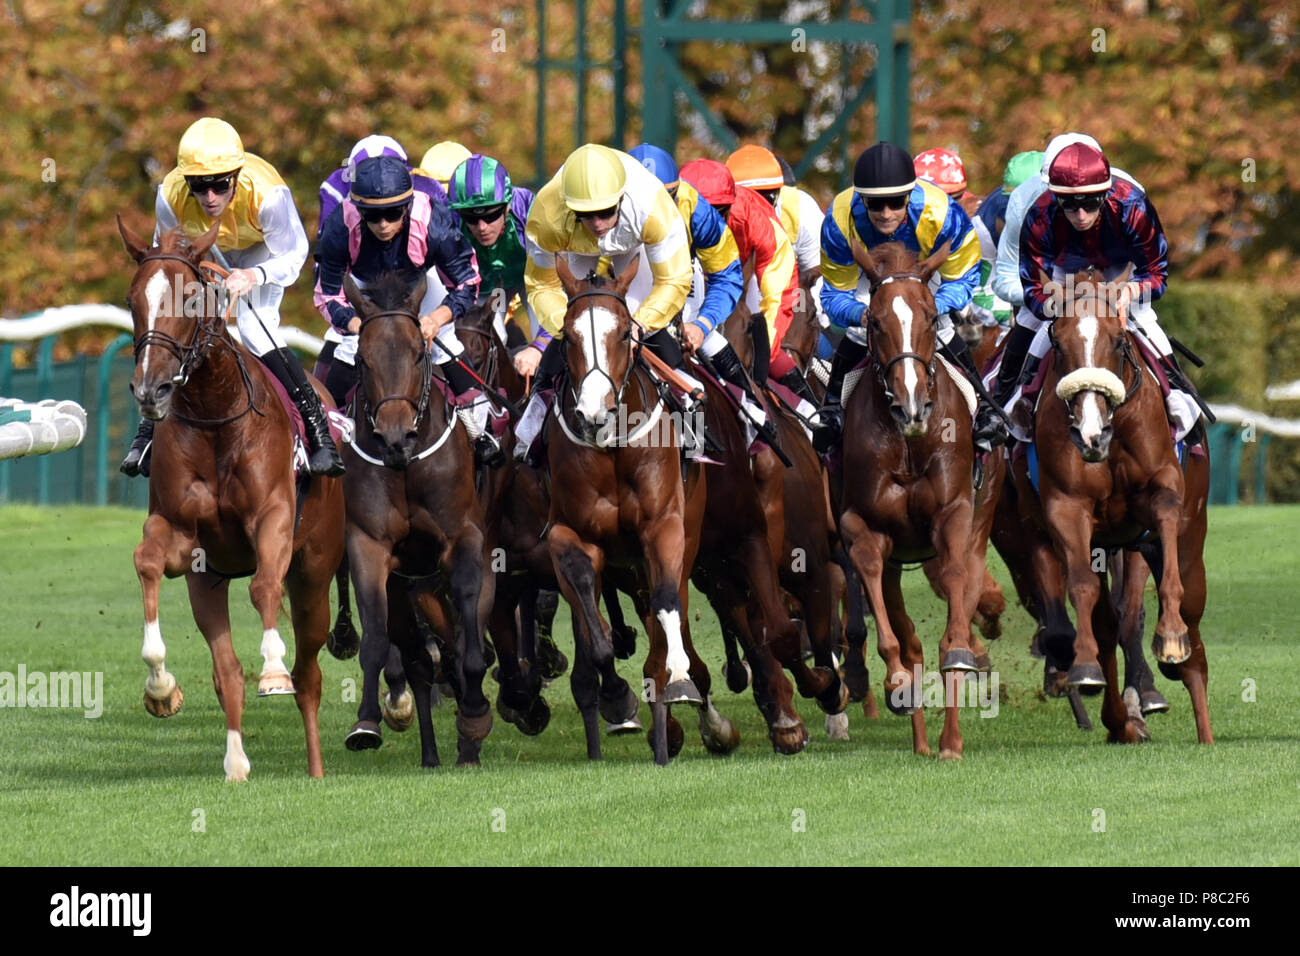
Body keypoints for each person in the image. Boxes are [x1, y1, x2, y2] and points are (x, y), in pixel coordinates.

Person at [122, 117, 344, 478]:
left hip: (263, 254)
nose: (210, 197)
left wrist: (254, 276)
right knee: (184, 328)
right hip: (206, 253)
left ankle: (316, 426)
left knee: (256, 330)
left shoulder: (268, 196)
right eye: (199, 186)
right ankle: (148, 431)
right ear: (186, 181)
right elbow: (168, 256)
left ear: (236, 177)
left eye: (220, 186)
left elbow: (295, 253)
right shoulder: (169, 194)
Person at [990, 140, 1203, 442]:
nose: (1080, 215)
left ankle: (1178, 397)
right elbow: (1034, 286)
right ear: (1055, 197)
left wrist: (1130, 292)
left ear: (1105, 192)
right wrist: (1059, 304)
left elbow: (1156, 273)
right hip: (1065, 277)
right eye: (1070, 205)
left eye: (1090, 203)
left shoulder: (1133, 207)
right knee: (1030, 321)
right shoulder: (1039, 214)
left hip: (1120, 273)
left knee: (1145, 321)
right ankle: (1008, 400)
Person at [814, 141, 1005, 453]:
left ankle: (983, 408)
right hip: (867, 276)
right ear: (861, 200)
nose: (886, 213)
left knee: (940, 328)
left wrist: (930, 307)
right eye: (874, 205)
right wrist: (862, 315)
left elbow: (964, 279)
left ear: (911, 194)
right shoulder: (840, 219)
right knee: (860, 331)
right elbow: (835, 294)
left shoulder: (942, 213)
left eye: (895, 202)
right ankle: (832, 409)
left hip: (928, 275)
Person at [312, 156, 501, 464]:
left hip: (419, 280)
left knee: (447, 343)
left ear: (408, 206)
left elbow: (467, 282)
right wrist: (358, 325)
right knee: (348, 348)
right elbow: (326, 294)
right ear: (359, 211)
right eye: (373, 215)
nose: (383, 223)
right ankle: (324, 436)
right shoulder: (340, 227)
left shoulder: (432, 221)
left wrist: (436, 319)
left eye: (392, 212)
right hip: (366, 284)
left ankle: (482, 433)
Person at [517, 143, 695, 460]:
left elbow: (674, 280)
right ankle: (528, 435)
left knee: (652, 336)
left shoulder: (651, 207)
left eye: (605, 212)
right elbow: (540, 285)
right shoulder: (547, 215)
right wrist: (571, 328)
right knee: (571, 340)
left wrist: (641, 325)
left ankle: (694, 432)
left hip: (635, 244)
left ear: (622, 200)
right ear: (570, 207)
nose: (597, 223)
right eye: (586, 214)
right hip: (576, 249)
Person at [314, 135, 451, 404]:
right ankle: (327, 419)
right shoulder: (333, 189)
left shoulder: (428, 189)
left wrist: (436, 319)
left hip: (417, 273)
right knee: (345, 341)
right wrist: (350, 320)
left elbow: (448, 249)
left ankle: (476, 417)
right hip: (365, 276)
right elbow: (327, 269)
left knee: (450, 337)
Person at [679, 158, 818, 407]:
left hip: (741, 272)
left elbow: (780, 293)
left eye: (720, 212)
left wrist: (767, 354)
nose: (711, 222)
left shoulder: (757, 218)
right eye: (701, 212)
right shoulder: (663, 215)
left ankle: (811, 412)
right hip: (689, 269)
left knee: (765, 341)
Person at [446, 154, 547, 377]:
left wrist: (540, 345)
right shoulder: (450, 221)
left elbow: (552, 291)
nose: (482, 227)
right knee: (491, 339)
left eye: (491, 216)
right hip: (490, 286)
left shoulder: (531, 213)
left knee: (545, 338)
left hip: (533, 280)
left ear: (507, 207)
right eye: (471, 218)